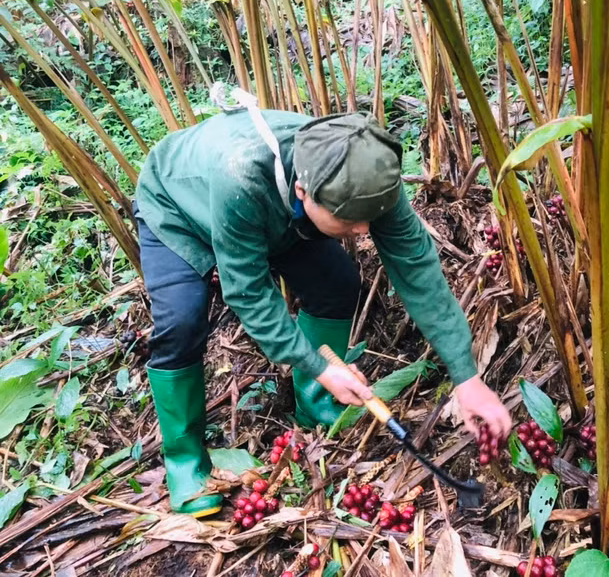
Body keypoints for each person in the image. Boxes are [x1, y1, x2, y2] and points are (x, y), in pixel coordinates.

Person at [135, 109, 512, 517]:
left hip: (278, 217)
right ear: (303, 191)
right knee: (181, 325)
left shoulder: (368, 175)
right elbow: (247, 292)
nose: (365, 231)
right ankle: (185, 460)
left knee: (336, 286)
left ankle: (314, 405)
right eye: (350, 221)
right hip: (178, 206)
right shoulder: (241, 176)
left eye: (370, 219)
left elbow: (418, 270)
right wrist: (319, 364)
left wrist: (466, 376)